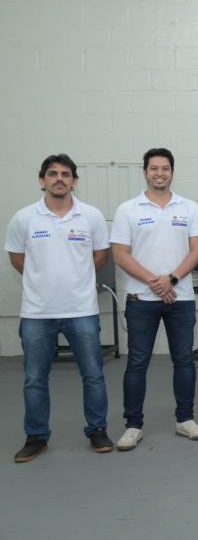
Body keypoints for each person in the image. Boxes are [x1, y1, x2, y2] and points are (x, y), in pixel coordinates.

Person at [5, 154, 113, 462]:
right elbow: (17, 259)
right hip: (37, 313)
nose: (59, 178)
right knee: (34, 378)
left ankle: (97, 430)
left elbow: (100, 256)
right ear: (42, 180)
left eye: (66, 174)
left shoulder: (90, 216)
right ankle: (36, 436)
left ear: (75, 181)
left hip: (82, 310)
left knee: (93, 374)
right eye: (52, 174)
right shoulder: (24, 218)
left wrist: (74, 280)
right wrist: (43, 282)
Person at [111, 148, 198, 450]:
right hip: (141, 298)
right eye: (154, 168)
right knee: (137, 363)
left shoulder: (189, 208)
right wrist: (155, 282)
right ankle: (133, 425)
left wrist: (172, 280)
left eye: (165, 168)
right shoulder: (128, 209)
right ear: (145, 172)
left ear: (172, 172)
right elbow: (120, 254)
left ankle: (185, 420)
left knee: (184, 360)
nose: (159, 173)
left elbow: (196, 250)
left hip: (181, 298)